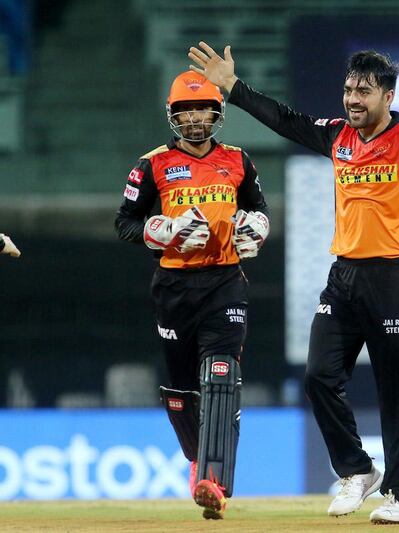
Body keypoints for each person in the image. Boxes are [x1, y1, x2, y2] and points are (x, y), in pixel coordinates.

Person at [189, 42, 399, 525]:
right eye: (348, 90)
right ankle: (357, 470)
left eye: (364, 91)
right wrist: (233, 88)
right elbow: (286, 119)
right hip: (345, 277)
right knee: (318, 376)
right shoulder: (336, 136)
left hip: (395, 276)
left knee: (398, 394)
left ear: (388, 96)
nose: (352, 99)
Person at [114, 71, 270, 520]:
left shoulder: (239, 160)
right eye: (186, 111)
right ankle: (196, 461)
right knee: (179, 391)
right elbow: (124, 221)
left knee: (221, 375)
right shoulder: (151, 164)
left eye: (203, 109)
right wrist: (158, 229)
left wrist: (257, 227)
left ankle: (214, 481)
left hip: (225, 282)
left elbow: (257, 208)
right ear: (174, 115)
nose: (196, 118)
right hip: (174, 287)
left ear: (217, 114)